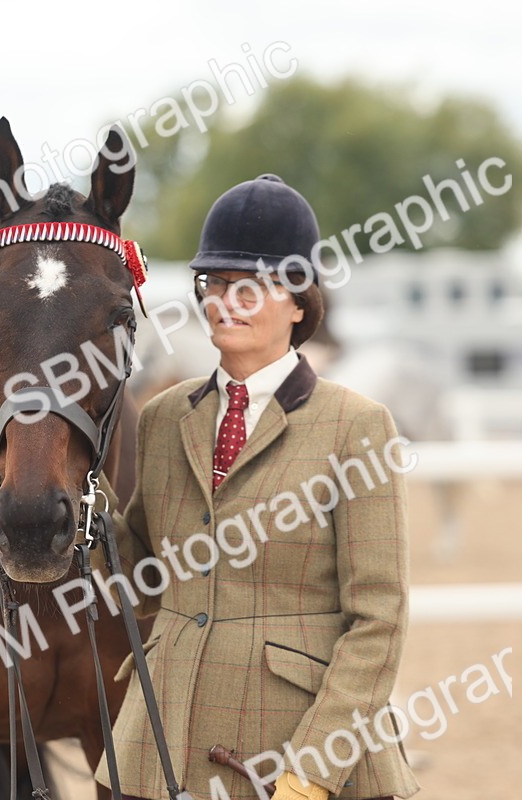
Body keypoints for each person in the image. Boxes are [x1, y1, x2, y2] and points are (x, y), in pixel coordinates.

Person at [93, 175, 419, 800]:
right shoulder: (161, 419)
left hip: (294, 745)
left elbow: (379, 619)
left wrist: (313, 772)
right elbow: (139, 580)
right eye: (214, 284)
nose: (226, 300)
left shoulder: (357, 427)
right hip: (160, 741)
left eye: (251, 286)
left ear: (300, 302)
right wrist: (85, 505)